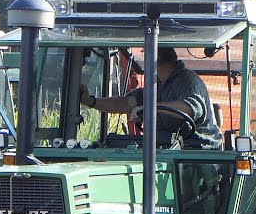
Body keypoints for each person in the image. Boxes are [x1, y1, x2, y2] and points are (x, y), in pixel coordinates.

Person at [80, 47, 222, 149]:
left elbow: (189, 109)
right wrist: (91, 101)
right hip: (167, 150)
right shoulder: (157, 84)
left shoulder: (188, 81)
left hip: (198, 153)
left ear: (154, 58)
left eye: (146, 54)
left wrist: (149, 108)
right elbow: (127, 103)